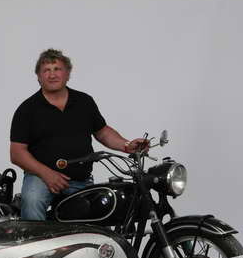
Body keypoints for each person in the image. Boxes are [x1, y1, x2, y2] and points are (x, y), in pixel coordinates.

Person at [10, 48, 148, 220]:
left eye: (57, 69)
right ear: (38, 76)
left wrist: (127, 145)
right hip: (41, 179)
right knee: (32, 201)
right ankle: (33, 239)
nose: (52, 75)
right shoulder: (27, 109)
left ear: (67, 74)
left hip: (80, 179)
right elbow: (17, 153)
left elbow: (103, 132)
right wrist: (46, 173)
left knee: (100, 215)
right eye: (46, 70)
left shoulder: (84, 102)